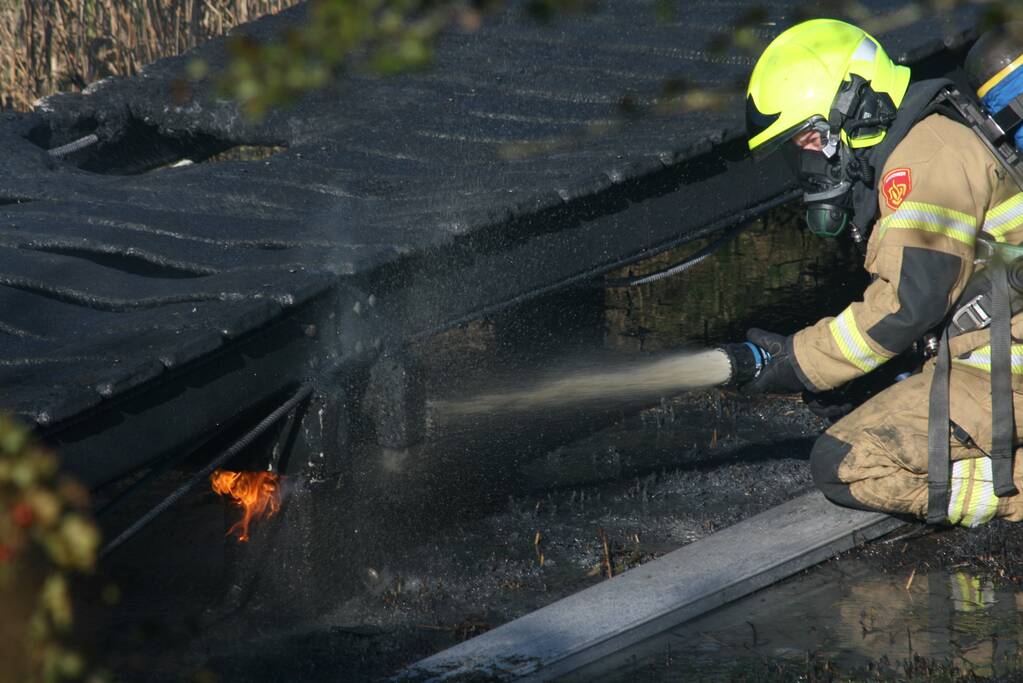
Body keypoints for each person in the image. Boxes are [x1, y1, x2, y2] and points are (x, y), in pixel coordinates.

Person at [731, 18, 1023, 526]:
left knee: (848, 462)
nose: (806, 164)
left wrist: (798, 360)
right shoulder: (930, 135)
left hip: (1010, 369)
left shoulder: (924, 159)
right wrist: (879, 374)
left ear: (852, 106)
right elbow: (957, 293)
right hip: (997, 350)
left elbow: (909, 305)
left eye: (805, 140)